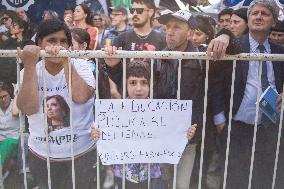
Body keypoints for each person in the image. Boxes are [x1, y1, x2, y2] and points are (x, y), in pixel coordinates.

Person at [211, 0, 284, 188]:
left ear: (274, 22)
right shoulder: (233, 48)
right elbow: (216, 84)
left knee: (264, 179)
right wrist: (220, 120)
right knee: (234, 180)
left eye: (265, 13)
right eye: (254, 13)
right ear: (248, 19)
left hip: (269, 128)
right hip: (236, 127)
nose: (258, 16)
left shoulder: (280, 53)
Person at [16, 18, 96, 189]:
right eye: (51, 40)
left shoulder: (81, 65)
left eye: (63, 42)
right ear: (39, 43)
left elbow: (81, 97)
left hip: (82, 154)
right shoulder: (28, 71)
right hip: (42, 157)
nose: (57, 46)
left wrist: (65, 60)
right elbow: (28, 108)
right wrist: (29, 65)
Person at [92, 60, 197, 189]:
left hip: (153, 174)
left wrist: (184, 135)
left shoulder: (160, 112)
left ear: (150, 84)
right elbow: (104, 136)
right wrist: (97, 134)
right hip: (123, 174)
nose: (138, 89)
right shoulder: (115, 111)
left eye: (144, 83)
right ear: (125, 84)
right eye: (132, 83)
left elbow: (170, 137)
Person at [0, 81, 19, 169]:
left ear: (9, 95)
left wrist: (16, 94)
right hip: (1, 142)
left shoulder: (15, 104)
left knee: (8, 142)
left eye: (5, 96)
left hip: (15, 142)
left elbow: (15, 113)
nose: (3, 100)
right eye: (0, 97)